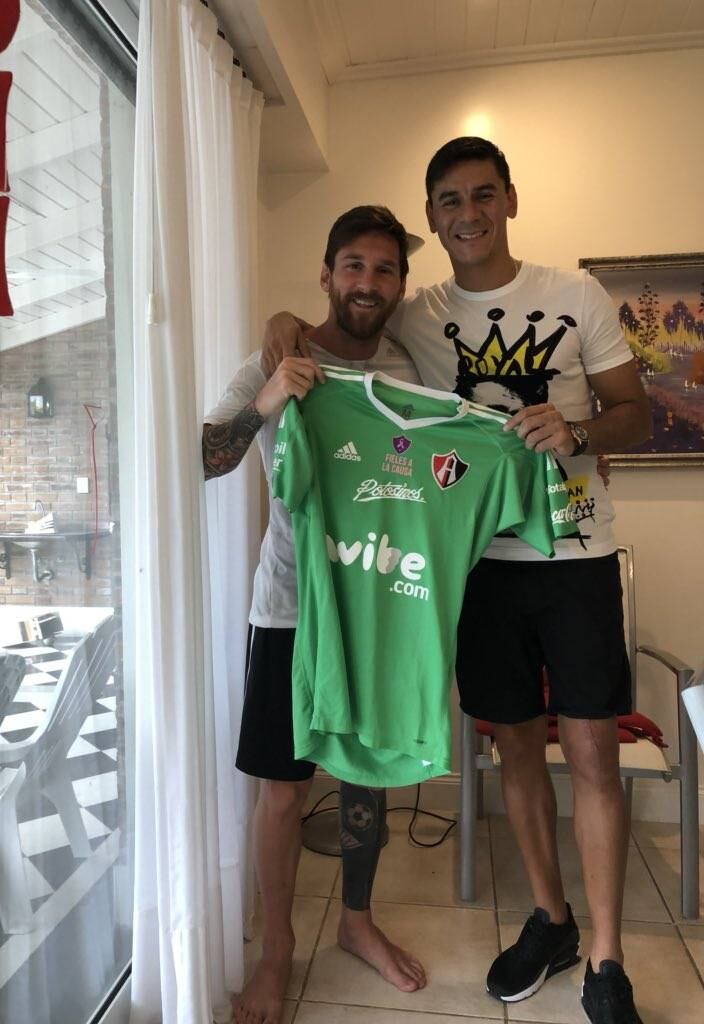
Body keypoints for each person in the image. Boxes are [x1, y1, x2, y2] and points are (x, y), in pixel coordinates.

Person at [262, 138, 652, 1024]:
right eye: (449, 201)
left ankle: (608, 956)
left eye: (482, 195)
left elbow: (636, 411)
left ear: (510, 199)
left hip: (576, 554)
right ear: (433, 219)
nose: (467, 213)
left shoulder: (575, 295)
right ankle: (551, 921)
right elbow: (342, 316)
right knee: (513, 748)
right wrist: (281, 325)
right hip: (474, 568)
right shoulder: (417, 311)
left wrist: (581, 432)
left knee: (592, 754)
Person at [203, 206, 427, 1024]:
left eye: (385, 269)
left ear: (401, 284)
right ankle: (278, 951)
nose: (368, 282)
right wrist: (267, 398)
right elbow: (205, 457)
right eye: (354, 266)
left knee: (366, 775)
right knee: (282, 791)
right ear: (327, 274)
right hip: (289, 610)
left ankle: (356, 922)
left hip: (379, 608)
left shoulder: (411, 368)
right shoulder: (277, 355)